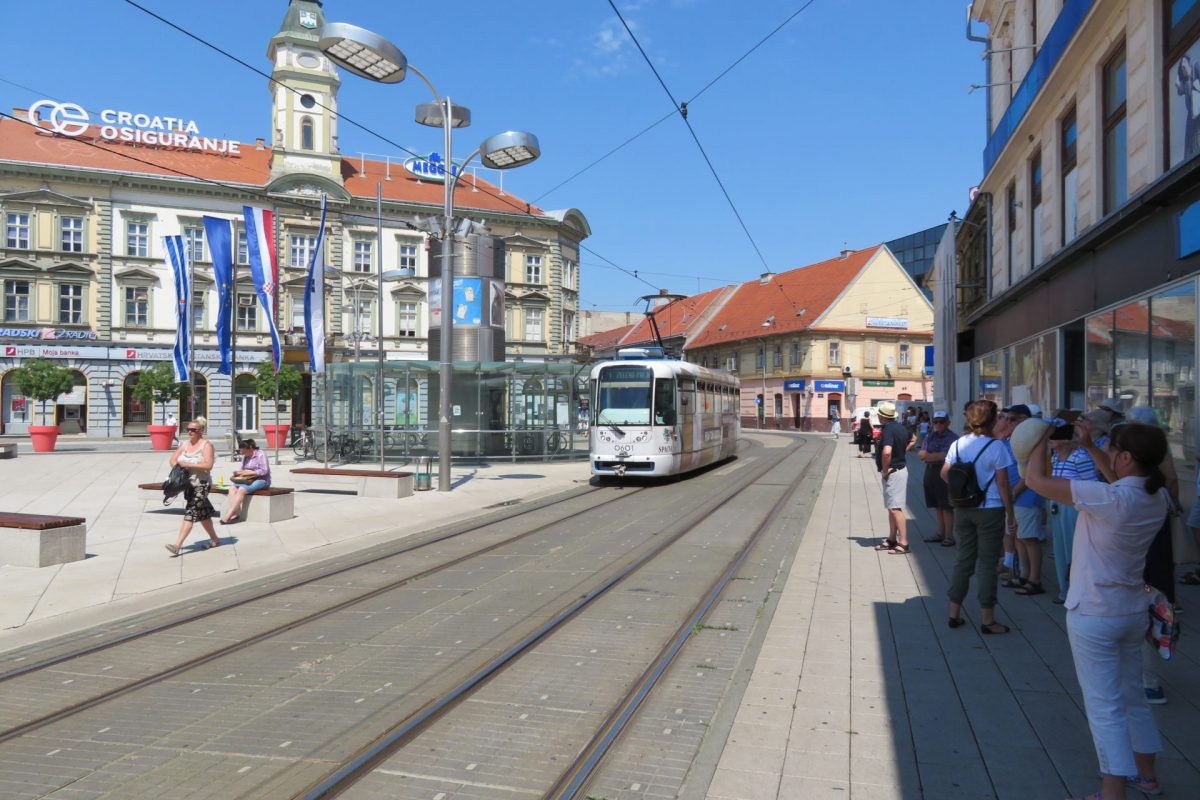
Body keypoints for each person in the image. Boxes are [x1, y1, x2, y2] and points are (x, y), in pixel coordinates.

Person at [1024, 420, 1170, 800]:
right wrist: (1089, 447)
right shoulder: (1156, 496)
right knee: (1132, 697)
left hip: (1094, 613)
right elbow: (1114, 476)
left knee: (1104, 706)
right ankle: (1147, 777)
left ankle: (1112, 792)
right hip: (1131, 611)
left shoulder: (1111, 499)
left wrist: (1039, 437)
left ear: (1124, 456)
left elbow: (1037, 481)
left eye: (1111, 446)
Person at [942, 400, 1017, 634]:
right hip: (991, 510)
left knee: (963, 561)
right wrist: (1011, 514)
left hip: (963, 509)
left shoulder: (958, 444)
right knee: (986, 563)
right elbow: (1003, 483)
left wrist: (963, 491)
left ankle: (953, 614)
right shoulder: (997, 447)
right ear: (992, 420)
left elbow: (946, 474)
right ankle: (987, 619)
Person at [1047, 410, 1095, 605]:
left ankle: (1079, 590)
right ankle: (1064, 589)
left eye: (1054, 438)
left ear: (1066, 440)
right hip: (1057, 506)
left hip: (1074, 507)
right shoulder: (1054, 459)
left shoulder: (1080, 457)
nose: (1050, 441)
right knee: (1060, 548)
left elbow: (1091, 484)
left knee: (1075, 549)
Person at [1002, 404, 1049, 596]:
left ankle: (1034, 580)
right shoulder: (1016, 438)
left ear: (1024, 420)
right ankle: (1024, 574)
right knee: (1019, 538)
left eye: (1012, 419)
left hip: (1026, 498)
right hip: (1015, 498)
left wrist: (1013, 492)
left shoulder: (1031, 439)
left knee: (1029, 539)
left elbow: (1030, 472)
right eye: (1006, 418)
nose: (1007, 422)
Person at [166, 416, 220, 556]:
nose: (189, 432)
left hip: (201, 484)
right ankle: (215, 539)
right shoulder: (184, 444)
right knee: (203, 514)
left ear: (201, 431)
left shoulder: (206, 445)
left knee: (190, 512)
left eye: (193, 430)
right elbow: (173, 459)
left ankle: (177, 545)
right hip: (187, 484)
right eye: (188, 429)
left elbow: (209, 465)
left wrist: (188, 464)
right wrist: (178, 467)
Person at [873, 401, 914, 555]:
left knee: (895, 508)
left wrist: (885, 470)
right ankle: (892, 539)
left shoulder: (888, 430)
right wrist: (903, 451)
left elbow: (887, 452)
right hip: (898, 470)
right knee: (891, 507)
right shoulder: (900, 427)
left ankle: (904, 543)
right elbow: (914, 439)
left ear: (881, 416)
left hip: (894, 472)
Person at [919, 410, 958, 546]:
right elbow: (921, 454)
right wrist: (936, 455)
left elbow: (946, 456)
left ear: (948, 422)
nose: (938, 424)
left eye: (941, 422)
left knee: (946, 506)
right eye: (936, 422)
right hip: (930, 472)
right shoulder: (930, 436)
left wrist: (930, 456)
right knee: (937, 505)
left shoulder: (952, 438)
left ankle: (949, 536)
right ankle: (940, 533)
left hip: (945, 472)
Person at [221, 438, 272, 524]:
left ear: (250, 448)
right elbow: (242, 469)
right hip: (247, 479)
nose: (243, 454)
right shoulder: (245, 457)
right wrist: (239, 473)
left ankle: (228, 516)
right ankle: (235, 514)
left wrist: (251, 472)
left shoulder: (260, 454)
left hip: (261, 480)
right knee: (232, 488)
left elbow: (264, 471)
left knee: (241, 490)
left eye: (244, 452)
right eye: (242, 452)